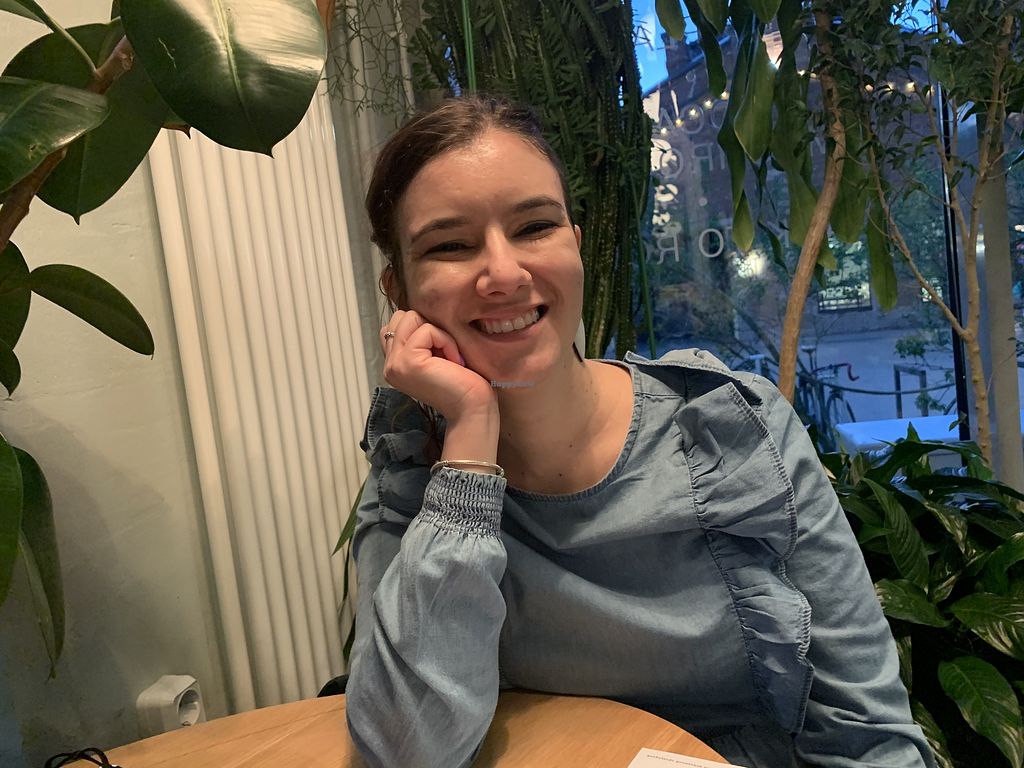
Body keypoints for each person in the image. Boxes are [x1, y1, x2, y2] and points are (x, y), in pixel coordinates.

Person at [345, 96, 934, 768]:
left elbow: (868, 737)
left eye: (535, 226)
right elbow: (403, 750)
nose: (505, 273)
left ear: (576, 243)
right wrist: (471, 442)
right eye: (450, 245)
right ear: (399, 290)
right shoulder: (418, 466)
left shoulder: (729, 428)